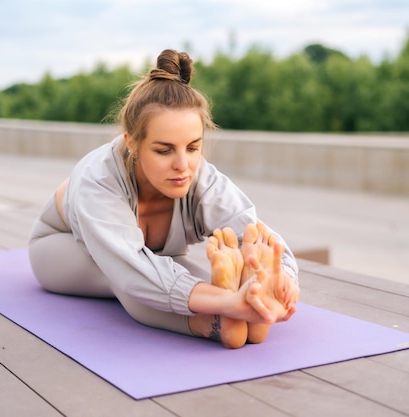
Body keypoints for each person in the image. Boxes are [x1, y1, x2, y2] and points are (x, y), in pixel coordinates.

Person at [27, 49, 300, 349]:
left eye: (193, 147)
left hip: (156, 257)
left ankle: (245, 302)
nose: (183, 165)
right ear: (132, 142)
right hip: (64, 246)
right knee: (128, 279)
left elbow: (254, 232)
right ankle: (213, 321)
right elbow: (131, 268)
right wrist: (227, 302)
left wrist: (281, 278)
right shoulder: (98, 180)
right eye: (164, 150)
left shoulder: (203, 179)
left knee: (176, 275)